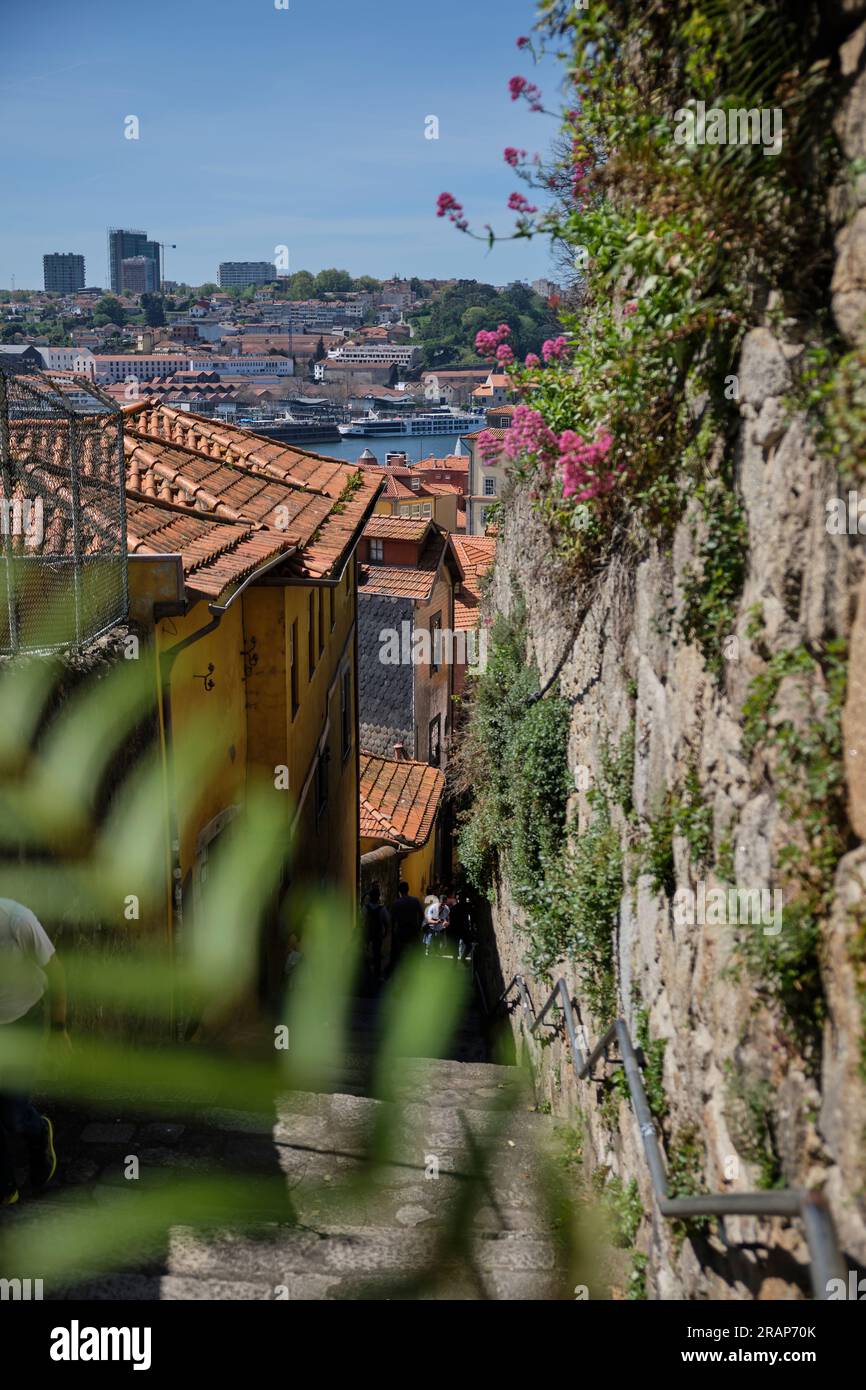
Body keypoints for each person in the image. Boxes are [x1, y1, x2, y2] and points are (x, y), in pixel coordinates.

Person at [0, 899, 67, 1206]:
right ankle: (4, 1185)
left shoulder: (18, 920)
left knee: (12, 1115)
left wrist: (57, 1029)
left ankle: (39, 1131)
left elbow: (56, 972)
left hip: (21, 1021)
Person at [388, 882, 423, 974]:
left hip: (401, 933)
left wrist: (393, 932)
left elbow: (392, 920)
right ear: (408, 889)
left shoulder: (396, 903)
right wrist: (419, 927)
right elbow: (422, 915)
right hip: (413, 931)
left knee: (401, 956)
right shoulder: (415, 901)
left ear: (399, 891)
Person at [363, 883, 390, 986]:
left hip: (368, 933)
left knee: (367, 953)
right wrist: (386, 932)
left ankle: (368, 973)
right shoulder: (382, 909)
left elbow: (362, 921)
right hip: (378, 934)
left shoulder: (366, 908)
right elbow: (387, 922)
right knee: (377, 954)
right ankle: (377, 975)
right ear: (378, 897)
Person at [451, 891, 476, 961]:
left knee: (457, 948)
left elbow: (451, 920)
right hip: (463, 929)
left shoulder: (455, 908)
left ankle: (456, 963)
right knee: (468, 946)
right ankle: (461, 959)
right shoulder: (467, 907)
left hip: (459, 929)